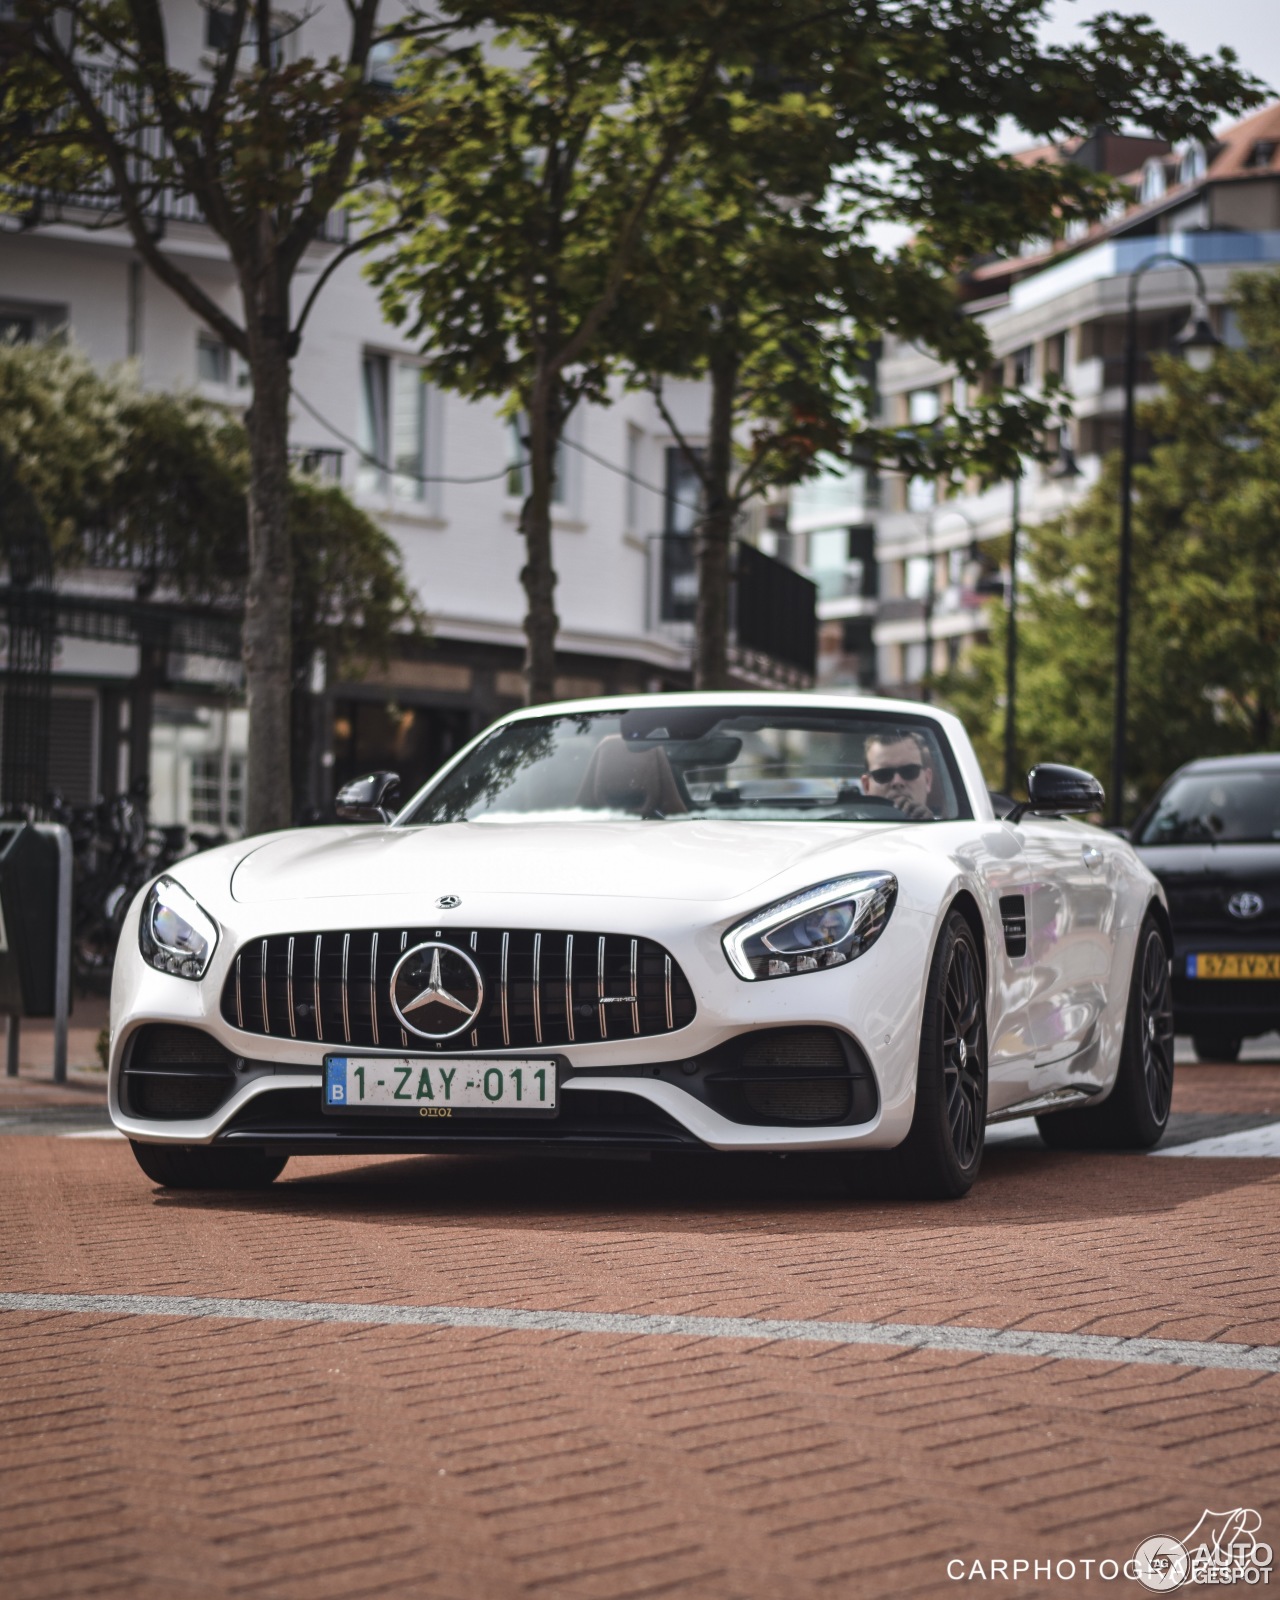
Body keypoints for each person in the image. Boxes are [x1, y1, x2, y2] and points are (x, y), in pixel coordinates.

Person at [860, 729, 936, 820]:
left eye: (909, 771)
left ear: (927, 780)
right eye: (883, 774)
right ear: (866, 786)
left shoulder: (947, 830)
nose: (897, 782)